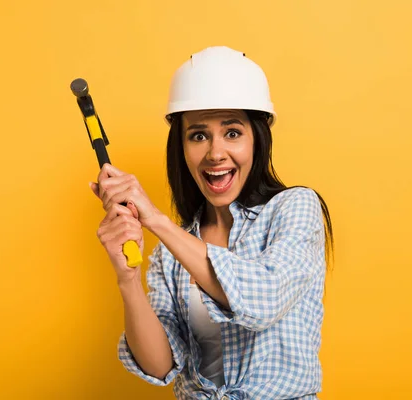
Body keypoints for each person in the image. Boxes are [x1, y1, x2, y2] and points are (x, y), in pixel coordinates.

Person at [89, 46, 334, 399]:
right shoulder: (169, 254)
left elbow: (261, 301)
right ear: (182, 146)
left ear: (257, 140)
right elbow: (159, 365)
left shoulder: (294, 209)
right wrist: (127, 278)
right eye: (199, 135)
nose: (215, 153)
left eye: (232, 132)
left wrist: (155, 220)